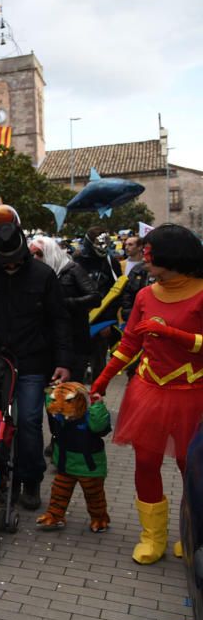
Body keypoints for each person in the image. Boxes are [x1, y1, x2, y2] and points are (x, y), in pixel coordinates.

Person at [90, 223, 203, 564]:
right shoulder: (144, 294)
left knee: (193, 468)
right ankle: (152, 537)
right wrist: (102, 380)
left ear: (172, 257)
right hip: (147, 391)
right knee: (146, 463)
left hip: (192, 393)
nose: (143, 261)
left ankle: (192, 533)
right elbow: (129, 345)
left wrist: (174, 335)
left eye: (151, 256)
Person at [0, 209, 71, 511]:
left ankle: (30, 479)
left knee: (28, 420)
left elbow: (59, 321)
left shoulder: (43, 275)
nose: (10, 263)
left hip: (34, 361)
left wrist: (63, 361)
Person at [36, 382, 110, 532]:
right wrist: (54, 389)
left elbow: (99, 426)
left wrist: (98, 406)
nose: (61, 407)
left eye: (68, 401)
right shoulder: (61, 417)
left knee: (94, 496)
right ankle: (55, 516)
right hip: (66, 465)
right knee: (59, 493)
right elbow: (52, 403)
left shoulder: (89, 416)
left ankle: (99, 519)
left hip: (89, 468)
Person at [29, 235, 101, 381]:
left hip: (76, 340)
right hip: (48, 343)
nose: (35, 258)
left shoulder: (73, 269)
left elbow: (94, 297)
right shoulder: (35, 275)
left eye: (39, 253)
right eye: (32, 254)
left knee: (71, 393)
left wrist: (63, 303)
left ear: (50, 252)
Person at [75, 226, 124, 379]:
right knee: (77, 367)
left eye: (105, 242)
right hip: (79, 321)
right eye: (99, 242)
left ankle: (97, 400)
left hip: (101, 323)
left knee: (99, 367)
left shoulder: (111, 263)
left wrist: (108, 322)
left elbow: (117, 293)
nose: (103, 247)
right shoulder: (77, 261)